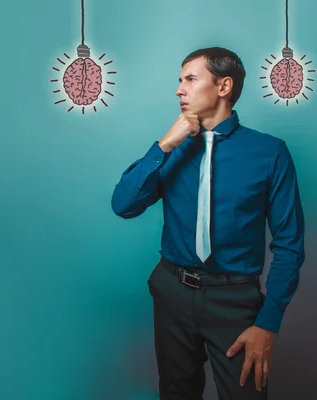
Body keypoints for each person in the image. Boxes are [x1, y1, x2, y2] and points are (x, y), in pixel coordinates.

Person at [110, 47, 305, 400]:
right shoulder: (173, 149)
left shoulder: (270, 152)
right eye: (179, 80)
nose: (179, 89)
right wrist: (166, 144)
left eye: (190, 79)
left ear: (223, 86)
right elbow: (123, 205)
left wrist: (269, 320)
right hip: (172, 291)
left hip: (234, 300)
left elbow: (290, 243)